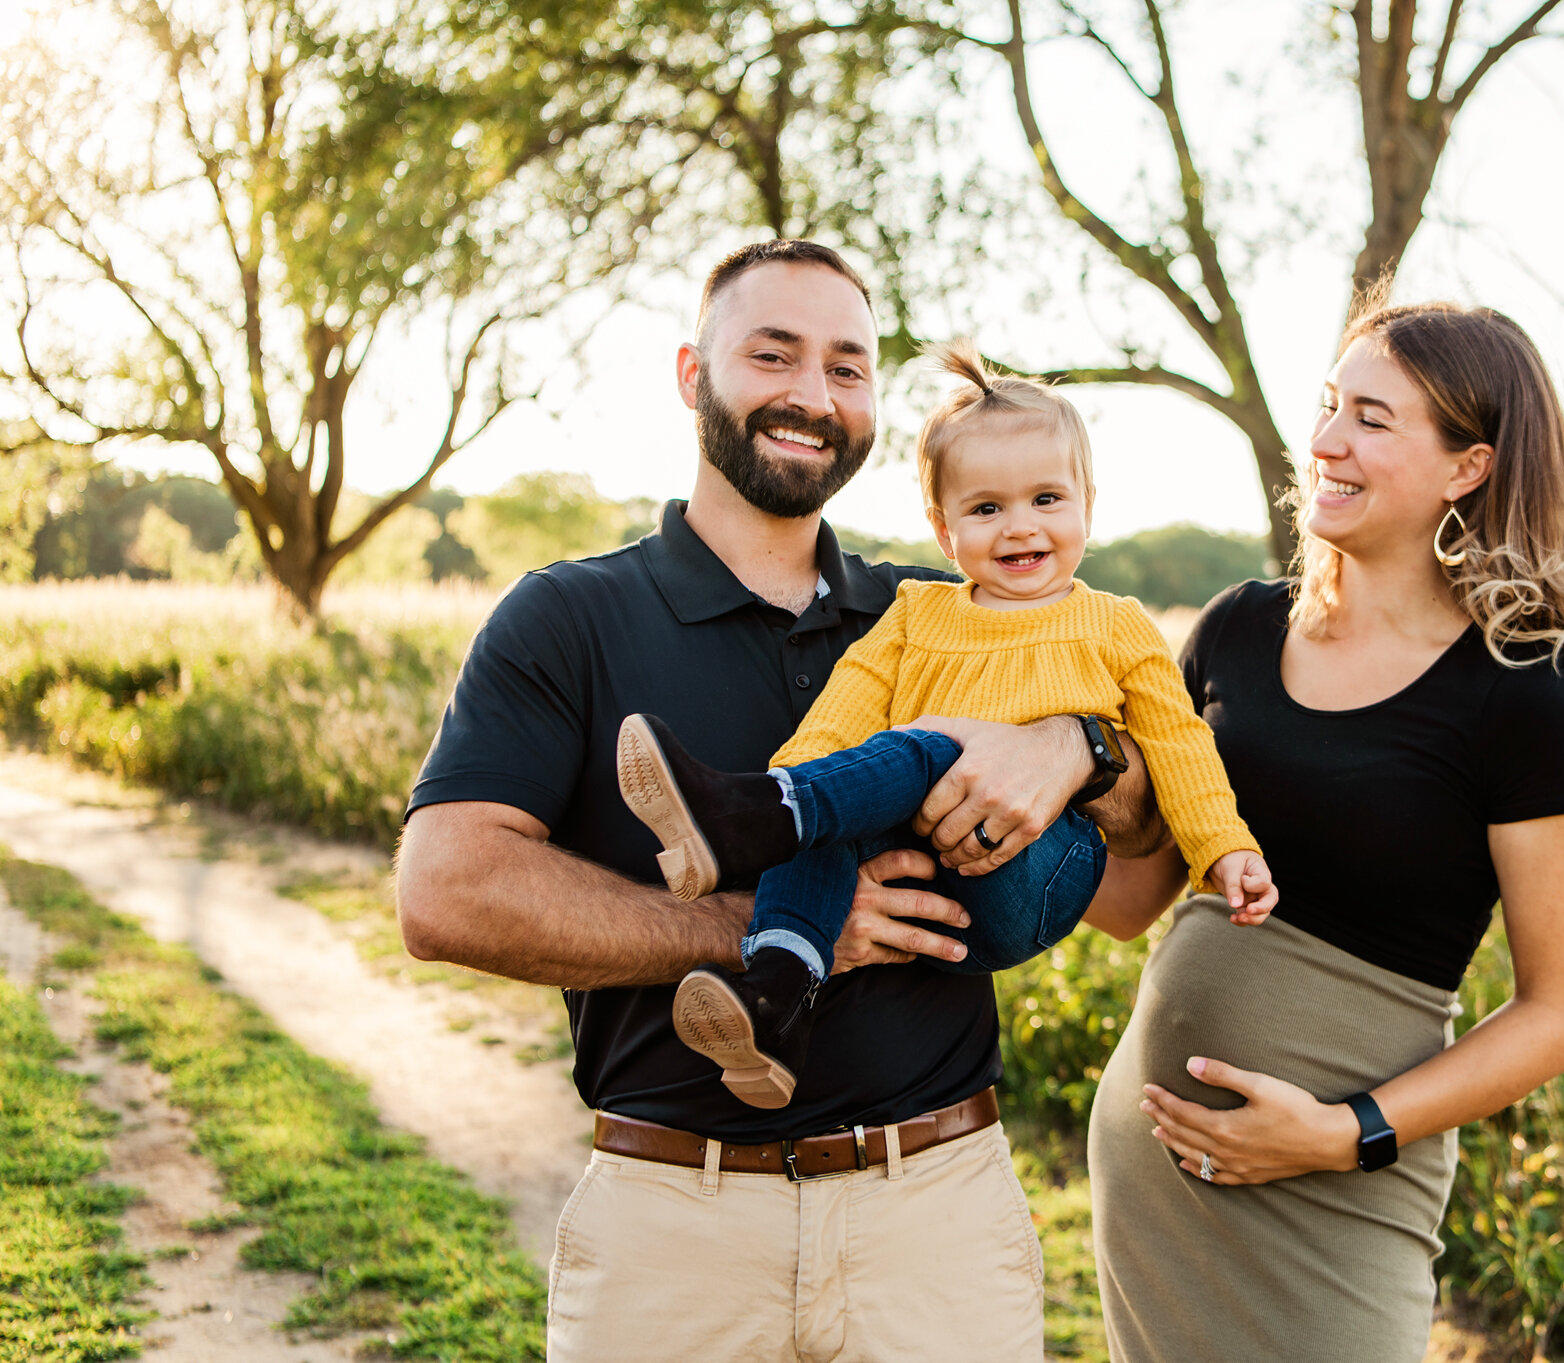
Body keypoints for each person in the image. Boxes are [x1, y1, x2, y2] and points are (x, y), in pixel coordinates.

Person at [394, 239, 1162, 1363]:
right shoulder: (567, 616)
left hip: (934, 1218)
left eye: (847, 368)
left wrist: (1078, 747)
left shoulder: (948, 610)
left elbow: (1133, 894)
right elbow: (447, 894)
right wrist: (774, 932)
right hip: (673, 1227)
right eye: (774, 355)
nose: (812, 395)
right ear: (691, 373)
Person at [1083, 299, 1564, 1362]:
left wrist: (1345, 1133)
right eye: (1329, 407)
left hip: (1330, 1199)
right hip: (1153, 1182)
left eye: (1372, 420)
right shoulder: (1237, 630)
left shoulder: (1520, 702)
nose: (1326, 442)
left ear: (1465, 467)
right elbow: (1125, 904)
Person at [613, 339, 1274, 1110]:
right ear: (943, 527)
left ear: (1089, 500)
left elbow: (1179, 743)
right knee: (827, 814)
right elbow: (839, 719)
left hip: (1036, 876)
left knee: (930, 742)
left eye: (1047, 500)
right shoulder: (914, 615)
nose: (1019, 527)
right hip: (924, 870)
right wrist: (793, 789)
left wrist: (1224, 847)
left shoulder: (1114, 625)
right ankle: (775, 1001)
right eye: (986, 508)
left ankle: (751, 818)